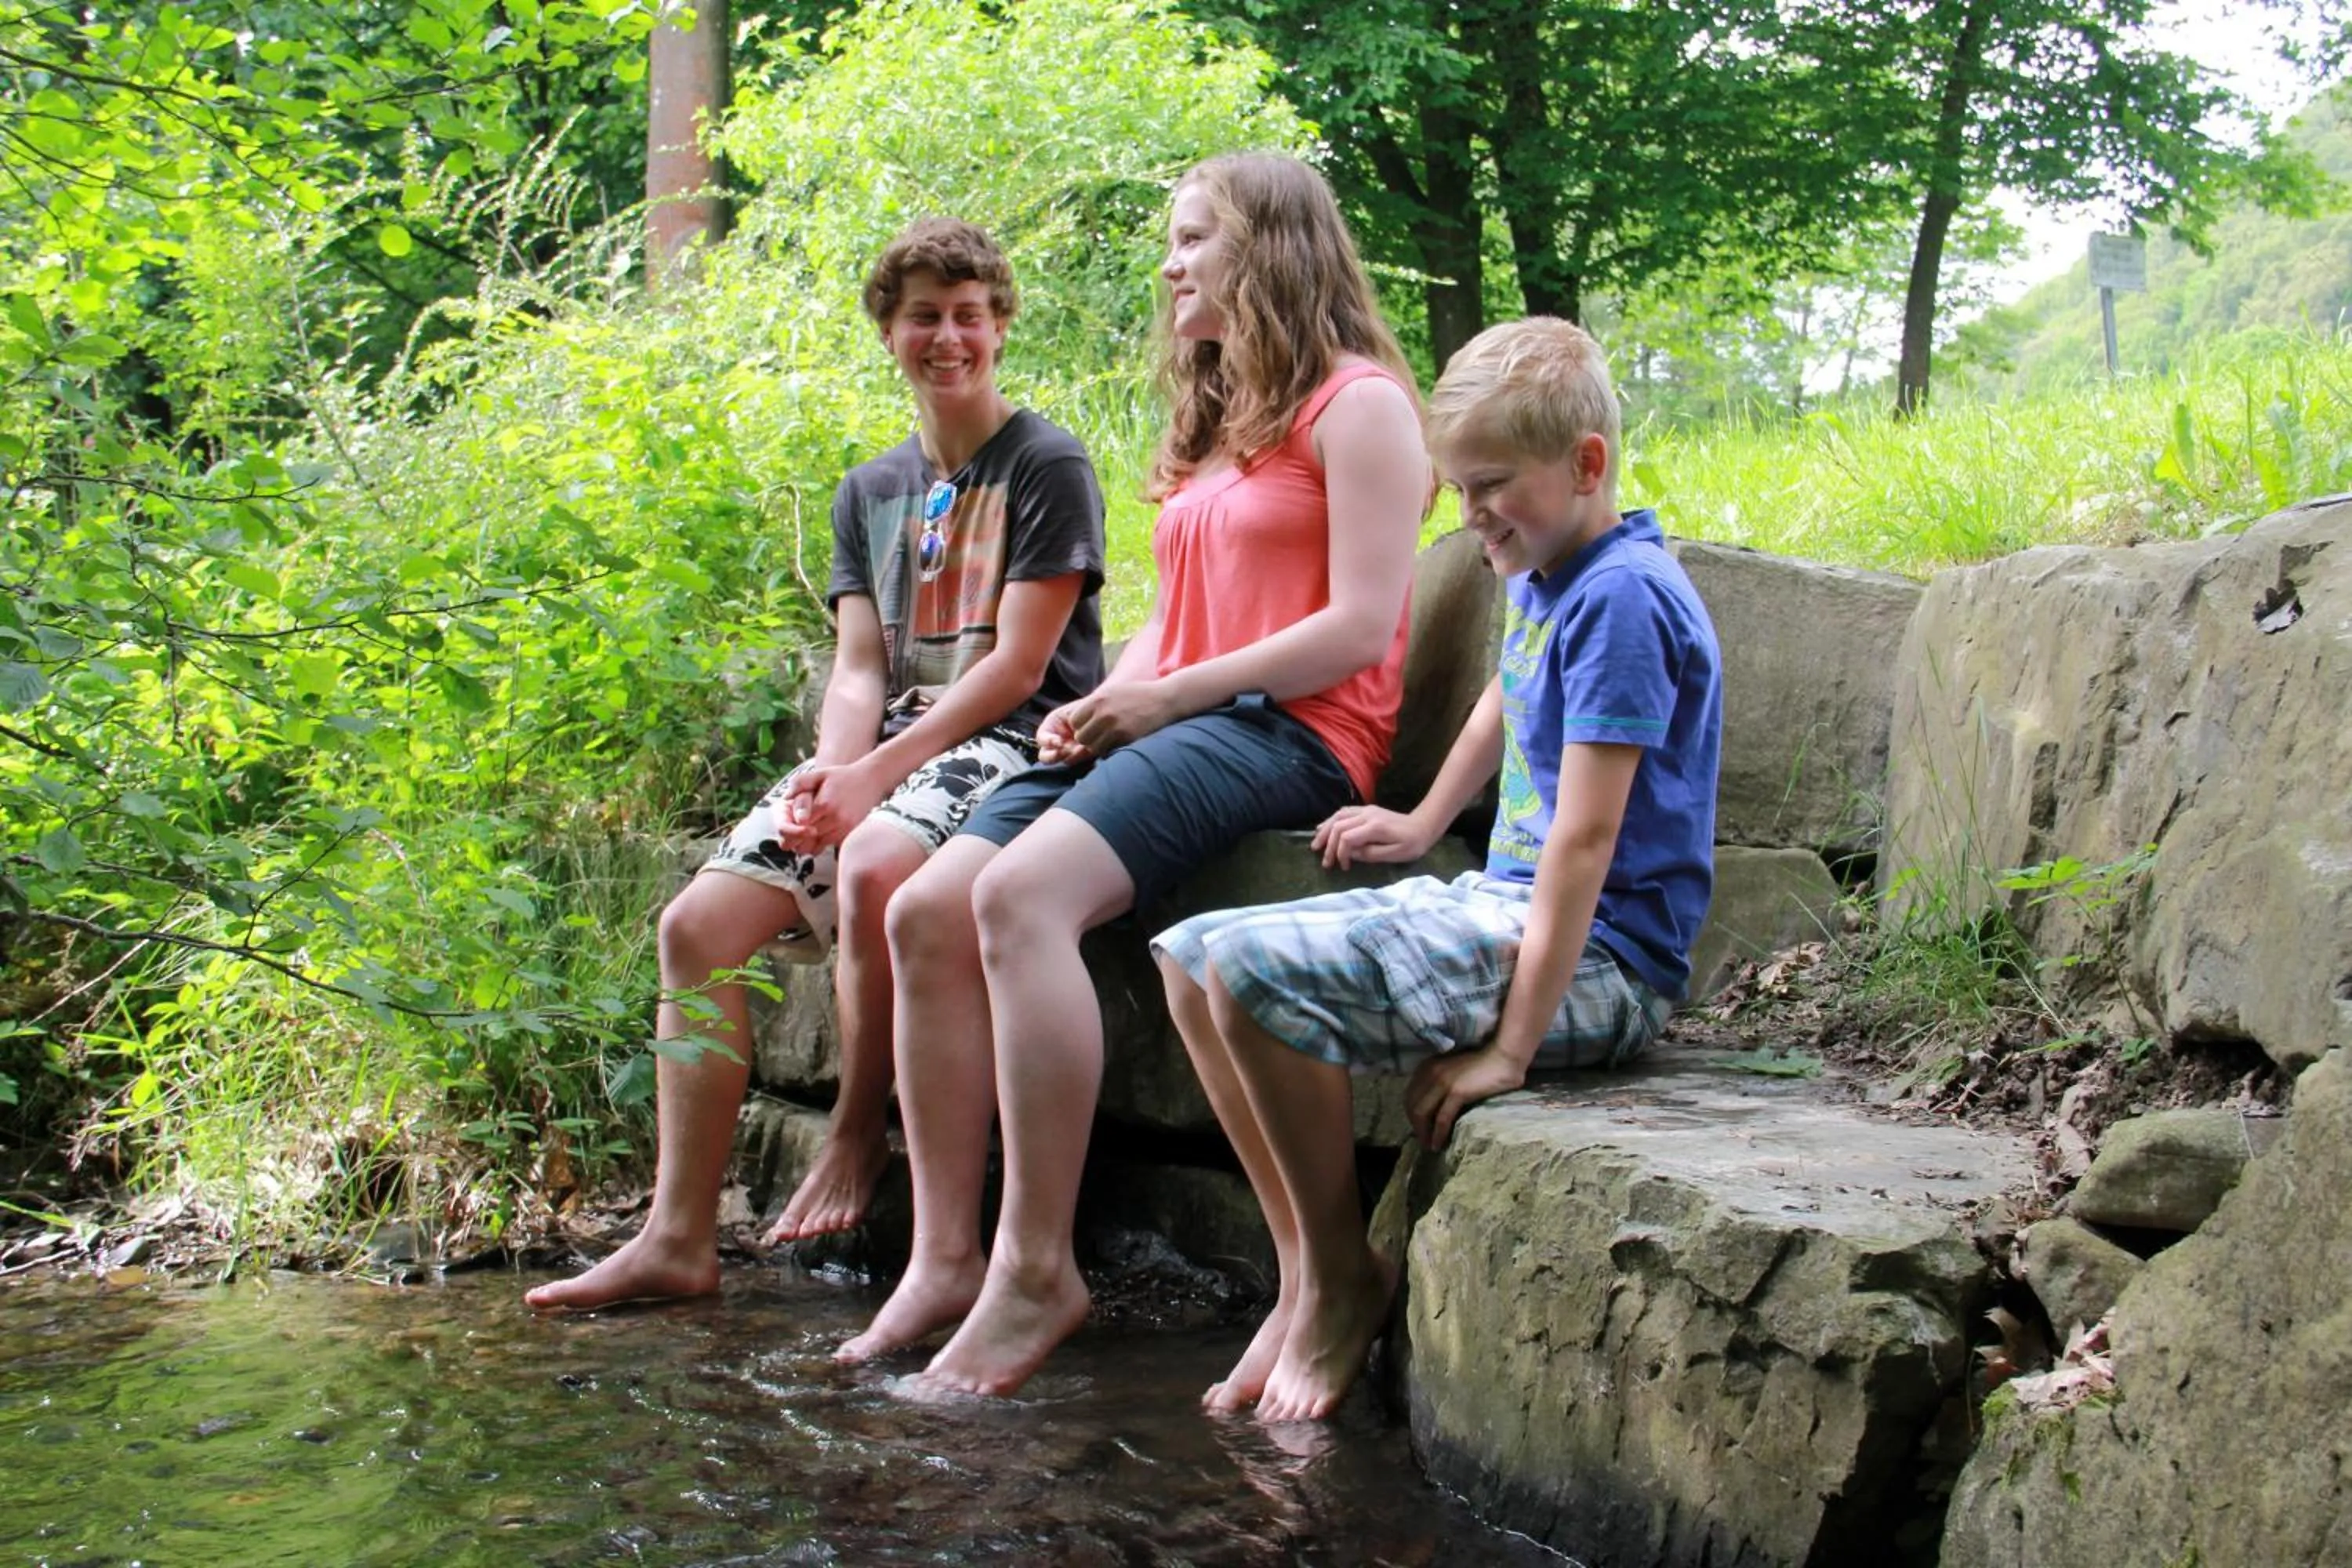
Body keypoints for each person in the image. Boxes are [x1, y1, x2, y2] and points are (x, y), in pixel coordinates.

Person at [833, 154, 1429, 1393]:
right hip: (1184, 718)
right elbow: (1179, 615)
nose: (1170, 265)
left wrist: (1170, 694)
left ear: (1269, 246)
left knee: (1018, 897)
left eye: (1194, 238)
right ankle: (943, 1258)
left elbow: (1362, 624)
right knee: (929, 905)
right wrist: (1106, 700)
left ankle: (1034, 1269)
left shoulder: (1359, 403)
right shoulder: (1225, 417)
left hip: (1294, 731)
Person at [526, 218, 1107, 1312]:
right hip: (883, 750)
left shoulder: (1047, 464)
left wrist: (874, 783)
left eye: (969, 315)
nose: (949, 338)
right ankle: (677, 1237)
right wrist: (832, 776)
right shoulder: (867, 489)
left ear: (1001, 326)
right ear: (888, 331)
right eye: (924, 316)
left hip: (1010, 738)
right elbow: (857, 667)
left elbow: (1019, 667)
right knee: (693, 928)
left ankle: (855, 1128)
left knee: (879, 865)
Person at [1152, 316, 1724, 1421]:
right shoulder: (1556, 571)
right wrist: (1421, 822)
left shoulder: (1623, 599)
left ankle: (1342, 1282)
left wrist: (1511, 1049)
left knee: (1252, 977)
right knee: (1187, 958)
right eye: (1459, 489)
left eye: (1490, 486)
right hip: (1511, 909)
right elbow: (1509, 692)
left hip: (1608, 962)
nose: (1471, 517)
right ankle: (1309, 1272)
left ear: (1587, 463)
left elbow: (1586, 842)